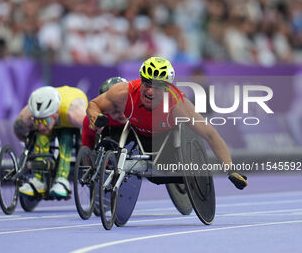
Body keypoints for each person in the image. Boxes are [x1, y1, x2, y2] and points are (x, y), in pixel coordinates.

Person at [87, 57, 248, 190]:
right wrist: (95, 117)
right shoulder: (123, 92)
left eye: (157, 86)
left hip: (164, 141)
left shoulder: (178, 105)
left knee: (158, 177)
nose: (150, 91)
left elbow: (210, 135)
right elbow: (94, 104)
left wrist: (230, 169)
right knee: (109, 138)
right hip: (134, 133)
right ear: (141, 80)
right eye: (147, 83)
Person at [14, 86, 88, 199]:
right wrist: (28, 143)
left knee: (66, 135)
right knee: (41, 135)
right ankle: (38, 179)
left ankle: (62, 179)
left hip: (70, 114)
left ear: (56, 113)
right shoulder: (28, 115)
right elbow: (18, 129)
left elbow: (94, 130)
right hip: (56, 104)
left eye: (45, 121)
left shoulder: (75, 115)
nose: (40, 126)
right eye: (37, 121)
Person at [82, 76, 128, 149]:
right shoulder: (95, 118)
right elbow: (87, 146)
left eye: (124, 108)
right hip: (110, 133)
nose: (122, 114)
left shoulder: (142, 110)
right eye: (115, 111)